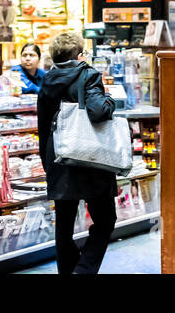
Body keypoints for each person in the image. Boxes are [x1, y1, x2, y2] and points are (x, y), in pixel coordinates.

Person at [36, 29, 117, 275]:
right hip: (89, 159)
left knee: (64, 225)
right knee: (105, 221)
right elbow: (99, 111)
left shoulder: (48, 80)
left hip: (59, 159)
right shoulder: (88, 75)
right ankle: (83, 270)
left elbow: (42, 125)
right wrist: (110, 99)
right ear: (80, 54)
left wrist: (47, 163)